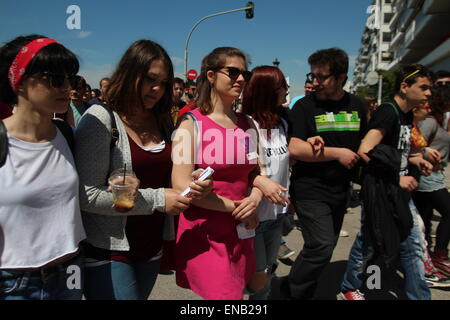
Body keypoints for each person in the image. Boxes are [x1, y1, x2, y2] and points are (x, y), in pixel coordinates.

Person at [74, 39, 210, 300]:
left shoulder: (163, 121)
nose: (157, 89)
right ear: (129, 74)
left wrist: (194, 179)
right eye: (150, 79)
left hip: (151, 246)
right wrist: (159, 199)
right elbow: (87, 194)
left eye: (164, 83)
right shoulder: (100, 119)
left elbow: (171, 175)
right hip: (109, 249)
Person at [172, 47, 281, 300]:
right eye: (233, 72)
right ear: (211, 76)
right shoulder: (191, 123)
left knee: (245, 289)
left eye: (245, 73)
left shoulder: (248, 123)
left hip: (242, 229)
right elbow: (180, 184)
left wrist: (253, 201)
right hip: (206, 234)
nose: (241, 79)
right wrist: (235, 207)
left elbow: (257, 172)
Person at [271, 48, 367, 300]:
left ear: (341, 77)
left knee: (324, 247)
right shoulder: (305, 106)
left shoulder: (357, 105)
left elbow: (366, 144)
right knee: (322, 247)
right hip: (309, 189)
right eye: (312, 75)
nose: (315, 82)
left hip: (340, 191)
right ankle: (295, 294)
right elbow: (295, 147)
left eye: (322, 77)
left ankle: (290, 286)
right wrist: (338, 153)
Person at [0, 34, 86, 300]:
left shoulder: (67, 133)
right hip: (14, 283)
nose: (66, 88)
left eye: (69, 79)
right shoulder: (3, 141)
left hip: (70, 272)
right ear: (21, 81)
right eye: (54, 78)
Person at [338, 64, 433, 300]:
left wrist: (418, 159)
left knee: (413, 244)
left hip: (396, 189)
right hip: (380, 189)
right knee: (370, 241)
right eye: (423, 87)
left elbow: (397, 150)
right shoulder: (388, 112)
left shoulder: (407, 114)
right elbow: (365, 151)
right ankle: (350, 286)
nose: (428, 93)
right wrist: (397, 177)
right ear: (404, 86)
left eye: (429, 88)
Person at [240, 65, 292, 299]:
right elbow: (240, 171)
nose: (287, 90)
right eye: (282, 86)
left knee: (267, 275)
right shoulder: (245, 125)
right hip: (253, 217)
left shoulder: (282, 123)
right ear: (268, 90)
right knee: (257, 276)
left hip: (277, 214)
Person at [412, 84, 450, 278]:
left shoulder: (441, 120)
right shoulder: (429, 121)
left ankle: (425, 259)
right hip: (427, 176)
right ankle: (439, 256)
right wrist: (425, 153)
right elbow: (416, 144)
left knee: (424, 219)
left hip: (433, 175)